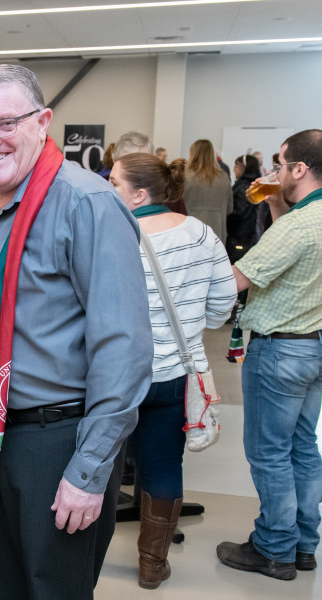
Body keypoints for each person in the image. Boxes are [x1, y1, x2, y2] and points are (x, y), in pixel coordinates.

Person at [0, 64, 153, 599]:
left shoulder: (88, 204)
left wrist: (89, 470)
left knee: (53, 590)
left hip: (59, 441)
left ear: (43, 122)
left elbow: (123, 350)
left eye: (5, 122)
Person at [109, 152, 237, 589]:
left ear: (139, 193)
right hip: (173, 376)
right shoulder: (201, 235)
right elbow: (222, 309)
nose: (107, 191)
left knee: (100, 464)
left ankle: (83, 556)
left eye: (114, 184)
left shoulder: (113, 234)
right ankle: (151, 564)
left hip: (115, 376)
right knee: (163, 466)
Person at [217, 129, 322, 581]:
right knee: (303, 448)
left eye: (280, 165)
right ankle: (302, 544)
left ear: (299, 169)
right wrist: (275, 202)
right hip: (313, 346)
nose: (275, 172)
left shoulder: (301, 225)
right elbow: (290, 253)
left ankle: (273, 548)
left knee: (270, 453)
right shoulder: (308, 218)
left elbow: (235, 281)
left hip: (280, 350)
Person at [184, 139, 233, 243]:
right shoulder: (223, 176)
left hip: (191, 232)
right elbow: (230, 209)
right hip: (217, 232)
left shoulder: (185, 176)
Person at [228, 154, 263, 263]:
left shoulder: (244, 187)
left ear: (243, 168)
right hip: (243, 234)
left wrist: (226, 213)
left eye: (236, 166)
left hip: (240, 236)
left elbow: (241, 212)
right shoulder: (247, 185)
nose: (233, 169)